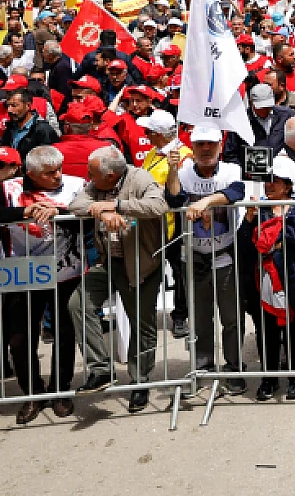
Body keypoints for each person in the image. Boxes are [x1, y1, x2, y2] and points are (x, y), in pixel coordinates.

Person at [0, 144, 85, 423]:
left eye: (59, 169)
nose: (57, 176)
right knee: (20, 338)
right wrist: (23, 212)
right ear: (31, 173)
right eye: (49, 173)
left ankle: (60, 391)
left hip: (65, 271)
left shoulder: (76, 185)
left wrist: (60, 212)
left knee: (65, 333)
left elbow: (89, 219)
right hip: (24, 273)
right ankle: (32, 393)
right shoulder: (11, 189)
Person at [65, 144, 170, 412]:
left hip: (141, 264)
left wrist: (117, 205)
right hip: (108, 261)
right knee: (79, 304)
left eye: (93, 174)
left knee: (142, 324)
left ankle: (140, 382)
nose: (89, 179)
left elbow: (159, 205)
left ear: (111, 176)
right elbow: (76, 203)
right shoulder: (96, 184)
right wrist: (102, 211)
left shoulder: (139, 178)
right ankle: (100, 369)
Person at [166, 125, 247, 394]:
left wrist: (206, 202)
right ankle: (203, 367)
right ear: (193, 146)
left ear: (220, 146)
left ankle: (234, 368)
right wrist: (173, 171)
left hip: (225, 255)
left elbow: (236, 192)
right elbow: (174, 197)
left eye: (210, 144)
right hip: (194, 256)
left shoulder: (231, 169)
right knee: (200, 319)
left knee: (231, 318)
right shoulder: (185, 171)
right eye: (200, 144)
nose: (206, 149)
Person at [245, 160, 295, 401]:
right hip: (264, 279)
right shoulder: (258, 209)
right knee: (267, 331)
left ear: (287, 186)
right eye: (267, 181)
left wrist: (274, 227)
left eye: (275, 181)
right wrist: (250, 220)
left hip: (294, 278)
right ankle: (269, 378)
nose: (269, 185)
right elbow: (246, 242)